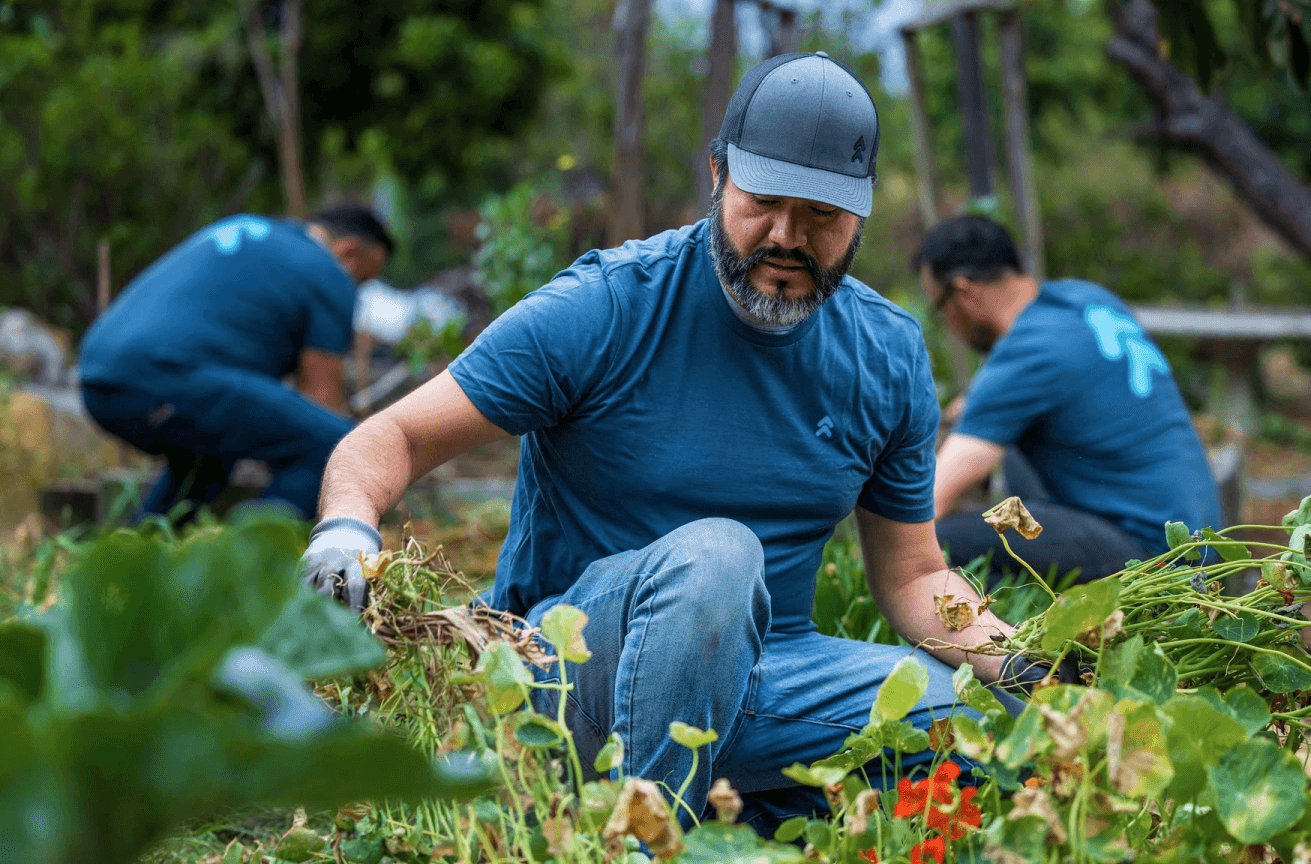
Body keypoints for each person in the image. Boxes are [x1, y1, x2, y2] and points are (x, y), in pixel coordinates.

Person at [300, 53, 1040, 833]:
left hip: (771, 678)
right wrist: (347, 526)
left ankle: (724, 806)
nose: (787, 236)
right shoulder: (608, 306)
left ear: (860, 213)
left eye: (821, 214)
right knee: (720, 557)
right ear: (718, 175)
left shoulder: (886, 354)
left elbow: (915, 573)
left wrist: (1031, 662)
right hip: (565, 679)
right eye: (764, 202)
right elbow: (394, 436)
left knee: (967, 714)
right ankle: (648, 840)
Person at [917, 215, 1222, 585]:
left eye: (941, 307)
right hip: (1202, 537)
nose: (948, 325)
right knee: (1015, 449)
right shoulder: (1086, 298)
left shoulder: (1027, 354)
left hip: (1156, 558)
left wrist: (865, 558)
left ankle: (1014, 634)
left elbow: (929, 502)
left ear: (965, 293)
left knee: (939, 540)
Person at [79, 204, 392, 521]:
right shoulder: (330, 272)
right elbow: (321, 401)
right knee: (335, 447)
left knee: (210, 462)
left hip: (97, 374)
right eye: (363, 278)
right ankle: (247, 561)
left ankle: (138, 557)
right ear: (349, 251)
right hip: (167, 376)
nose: (357, 289)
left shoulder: (250, 228)